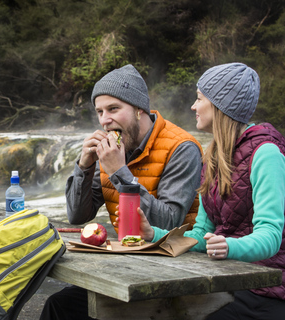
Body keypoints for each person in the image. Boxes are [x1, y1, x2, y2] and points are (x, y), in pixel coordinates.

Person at [40, 64, 203, 320]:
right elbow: (77, 216)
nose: (105, 120)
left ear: (139, 109)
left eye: (114, 109)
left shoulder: (182, 148)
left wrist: (119, 171)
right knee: (58, 306)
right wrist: (84, 166)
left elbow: (169, 223)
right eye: (100, 112)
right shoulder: (112, 148)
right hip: (127, 261)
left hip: (177, 268)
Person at [138, 62, 285, 319]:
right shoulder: (213, 155)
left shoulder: (266, 154)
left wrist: (229, 246)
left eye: (199, 99)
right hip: (227, 282)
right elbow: (202, 234)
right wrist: (155, 234)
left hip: (267, 291)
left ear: (221, 105)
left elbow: (271, 236)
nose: (193, 107)